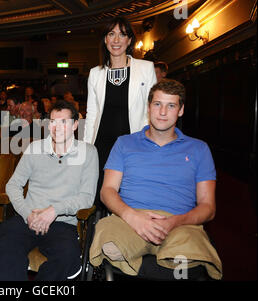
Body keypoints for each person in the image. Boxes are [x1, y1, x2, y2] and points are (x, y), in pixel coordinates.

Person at [89, 79, 222, 280]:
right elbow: (107, 191)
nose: (162, 112)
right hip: (129, 219)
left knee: (192, 255)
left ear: (181, 110)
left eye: (171, 106)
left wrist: (176, 222)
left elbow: (208, 207)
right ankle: (151, 263)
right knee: (108, 241)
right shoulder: (124, 143)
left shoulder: (199, 149)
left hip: (180, 223)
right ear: (149, 107)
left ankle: (144, 265)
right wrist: (133, 217)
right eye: (157, 104)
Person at [0, 100, 98, 281]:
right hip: (28, 217)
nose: (57, 127)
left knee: (67, 257)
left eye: (64, 122)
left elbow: (86, 198)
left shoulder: (88, 152)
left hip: (63, 223)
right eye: (53, 121)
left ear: (75, 125)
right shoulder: (35, 148)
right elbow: (13, 185)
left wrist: (53, 211)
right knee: (5, 243)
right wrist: (27, 214)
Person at [83, 16, 157, 210]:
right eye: (111, 34)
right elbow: (91, 114)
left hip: (133, 142)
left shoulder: (146, 68)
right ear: (105, 40)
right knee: (99, 195)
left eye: (122, 35)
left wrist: (148, 142)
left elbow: (153, 109)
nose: (116, 40)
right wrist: (86, 148)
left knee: (128, 194)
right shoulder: (95, 73)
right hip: (101, 144)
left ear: (129, 40)